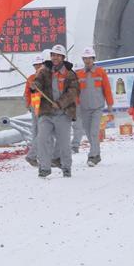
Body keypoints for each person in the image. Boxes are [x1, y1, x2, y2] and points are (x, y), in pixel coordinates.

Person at [33, 45, 79, 178]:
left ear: (63, 57)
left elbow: (73, 92)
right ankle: (44, 168)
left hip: (63, 114)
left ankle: (66, 167)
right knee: (42, 139)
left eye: (58, 55)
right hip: (46, 112)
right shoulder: (44, 71)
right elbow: (38, 83)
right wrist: (34, 86)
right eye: (53, 55)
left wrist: (60, 103)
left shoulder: (70, 74)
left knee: (64, 143)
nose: (55, 58)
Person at [73, 47, 114, 167]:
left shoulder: (100, 72)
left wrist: (110, 105)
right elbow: (75, 92)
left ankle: (92, 156)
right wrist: (75, 106)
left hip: (97, 107)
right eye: (85, 58)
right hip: (83, 108)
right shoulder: (78, 74)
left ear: (93, 59)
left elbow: (107, 89)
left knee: (94, 132)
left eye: (89, 58)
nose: (87, 61)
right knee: (88, 132)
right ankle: (97, 154)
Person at [23, 54, 46, 168]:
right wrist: (28, 104)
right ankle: (35, 155)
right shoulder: (31, 78)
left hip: (44, 107)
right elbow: (26, 93)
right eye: (36, 65)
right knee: (39, 132)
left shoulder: (47, 76)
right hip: (36, 108)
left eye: (39, 65)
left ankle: (37, 155)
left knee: (42, 132)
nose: (38, 67)